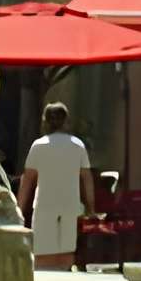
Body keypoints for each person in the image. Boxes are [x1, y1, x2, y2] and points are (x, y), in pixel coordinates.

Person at [18, 100, 96, 271]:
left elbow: (27, 181)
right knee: (66, 253)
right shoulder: (77, 145)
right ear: (66, 121)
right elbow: (87, 179)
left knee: (42, 253)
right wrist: (91, 208)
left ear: (44, 121)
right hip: (70, 205)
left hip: (44, 205)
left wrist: (19, 210)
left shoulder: (38, 146)